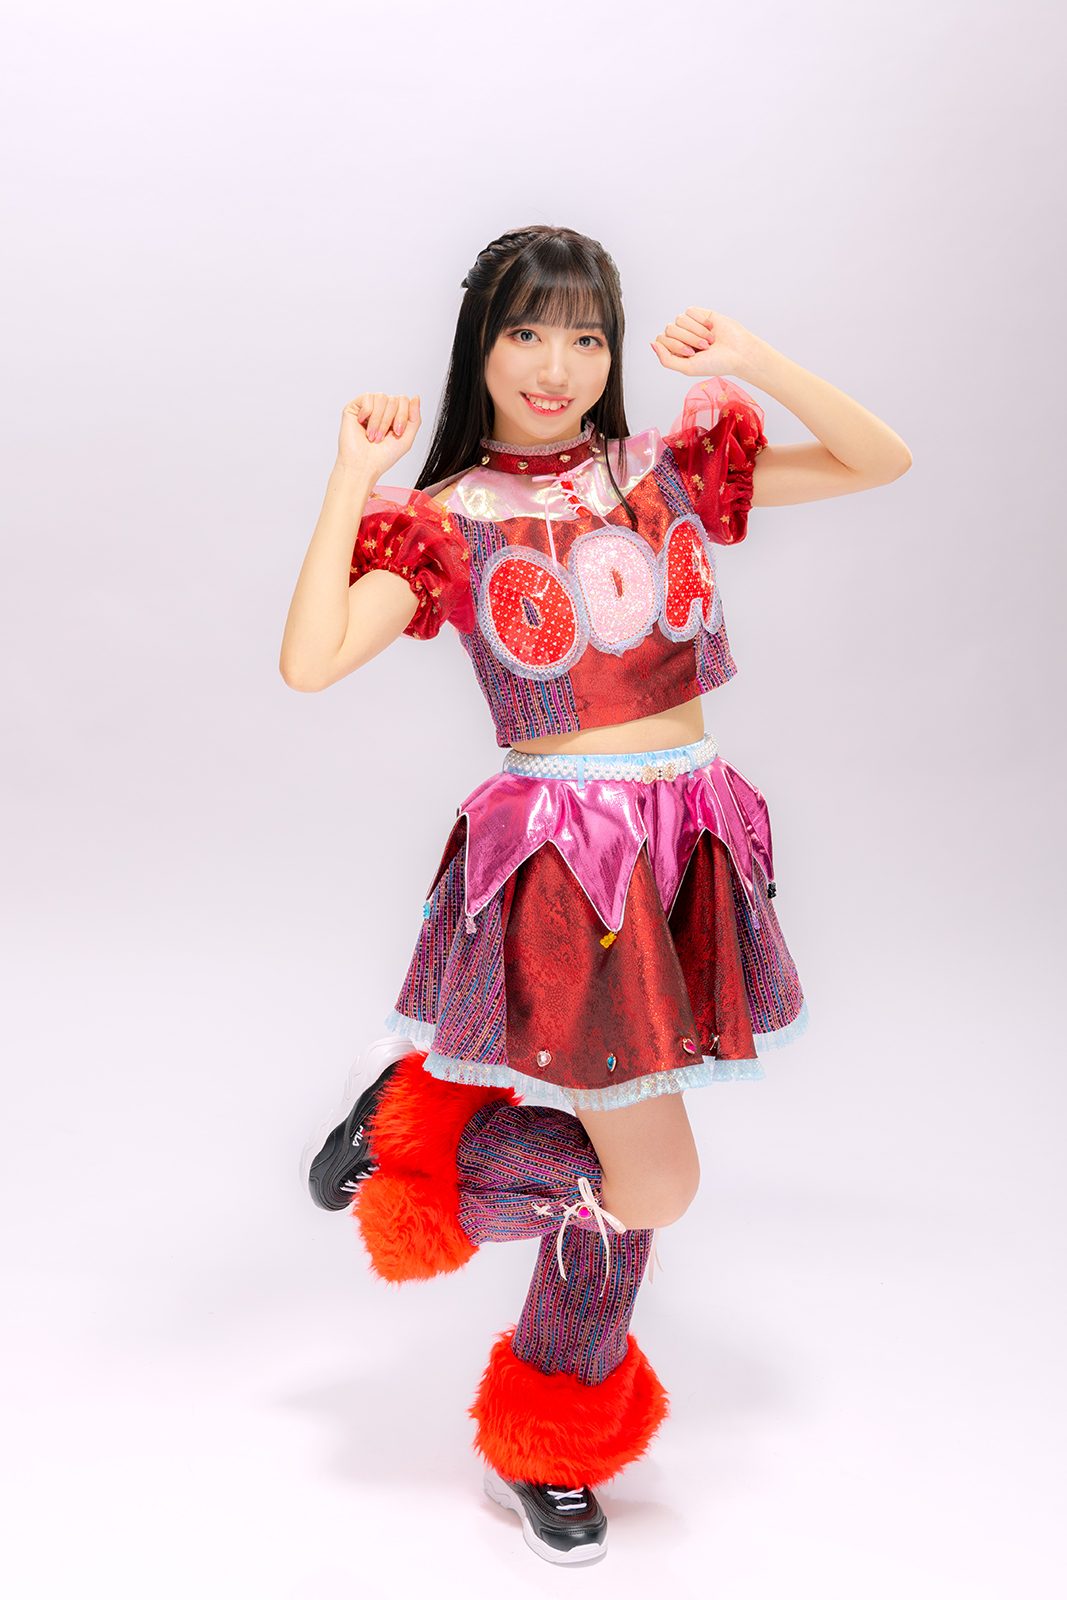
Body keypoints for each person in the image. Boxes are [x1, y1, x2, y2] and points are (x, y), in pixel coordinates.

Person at [279, 224, 912, 1565]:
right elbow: (313, 658)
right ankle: (415, 1146)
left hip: (684, 838)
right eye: (525, 333)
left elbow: (879, 460)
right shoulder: (450, 516)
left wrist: (754, 358)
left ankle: (543, 1436)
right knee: (656, 1186)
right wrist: (350, 478)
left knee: (631, 1188)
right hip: (570, 861)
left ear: (613, 352)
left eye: (584, 336)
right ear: (481, 347)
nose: (554, 366)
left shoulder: (659, 470)